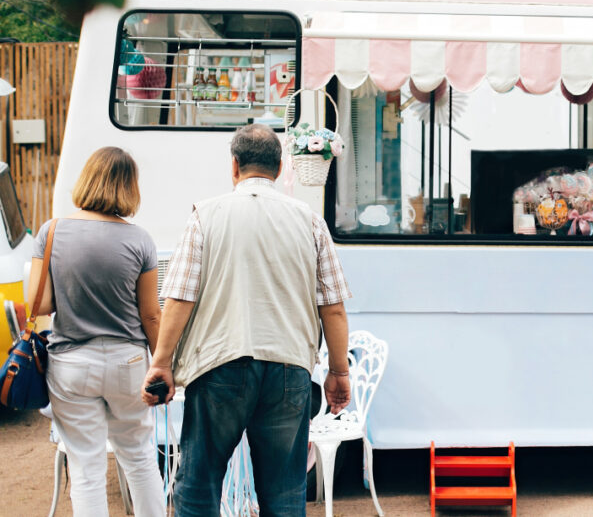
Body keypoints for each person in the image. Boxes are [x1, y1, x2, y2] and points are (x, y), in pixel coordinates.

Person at [143, 123, 352, 516]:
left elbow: (180, 298)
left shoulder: (205, 215)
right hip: (289, 372)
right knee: (285, 493)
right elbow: (334, 307)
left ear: (234, 166)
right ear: (279, 167)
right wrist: (338, 372)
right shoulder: (310, 221)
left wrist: (161, 363)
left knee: (199, 486)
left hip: (220, 367)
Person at [30, 146, 165, 516]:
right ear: (129, 188)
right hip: (129, 361)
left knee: (86, 467)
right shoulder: (140, 240)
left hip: (72, 362)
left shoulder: (52, 231)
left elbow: (38, 305)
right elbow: (151, 315)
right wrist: (165, 365)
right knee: (139, 457)